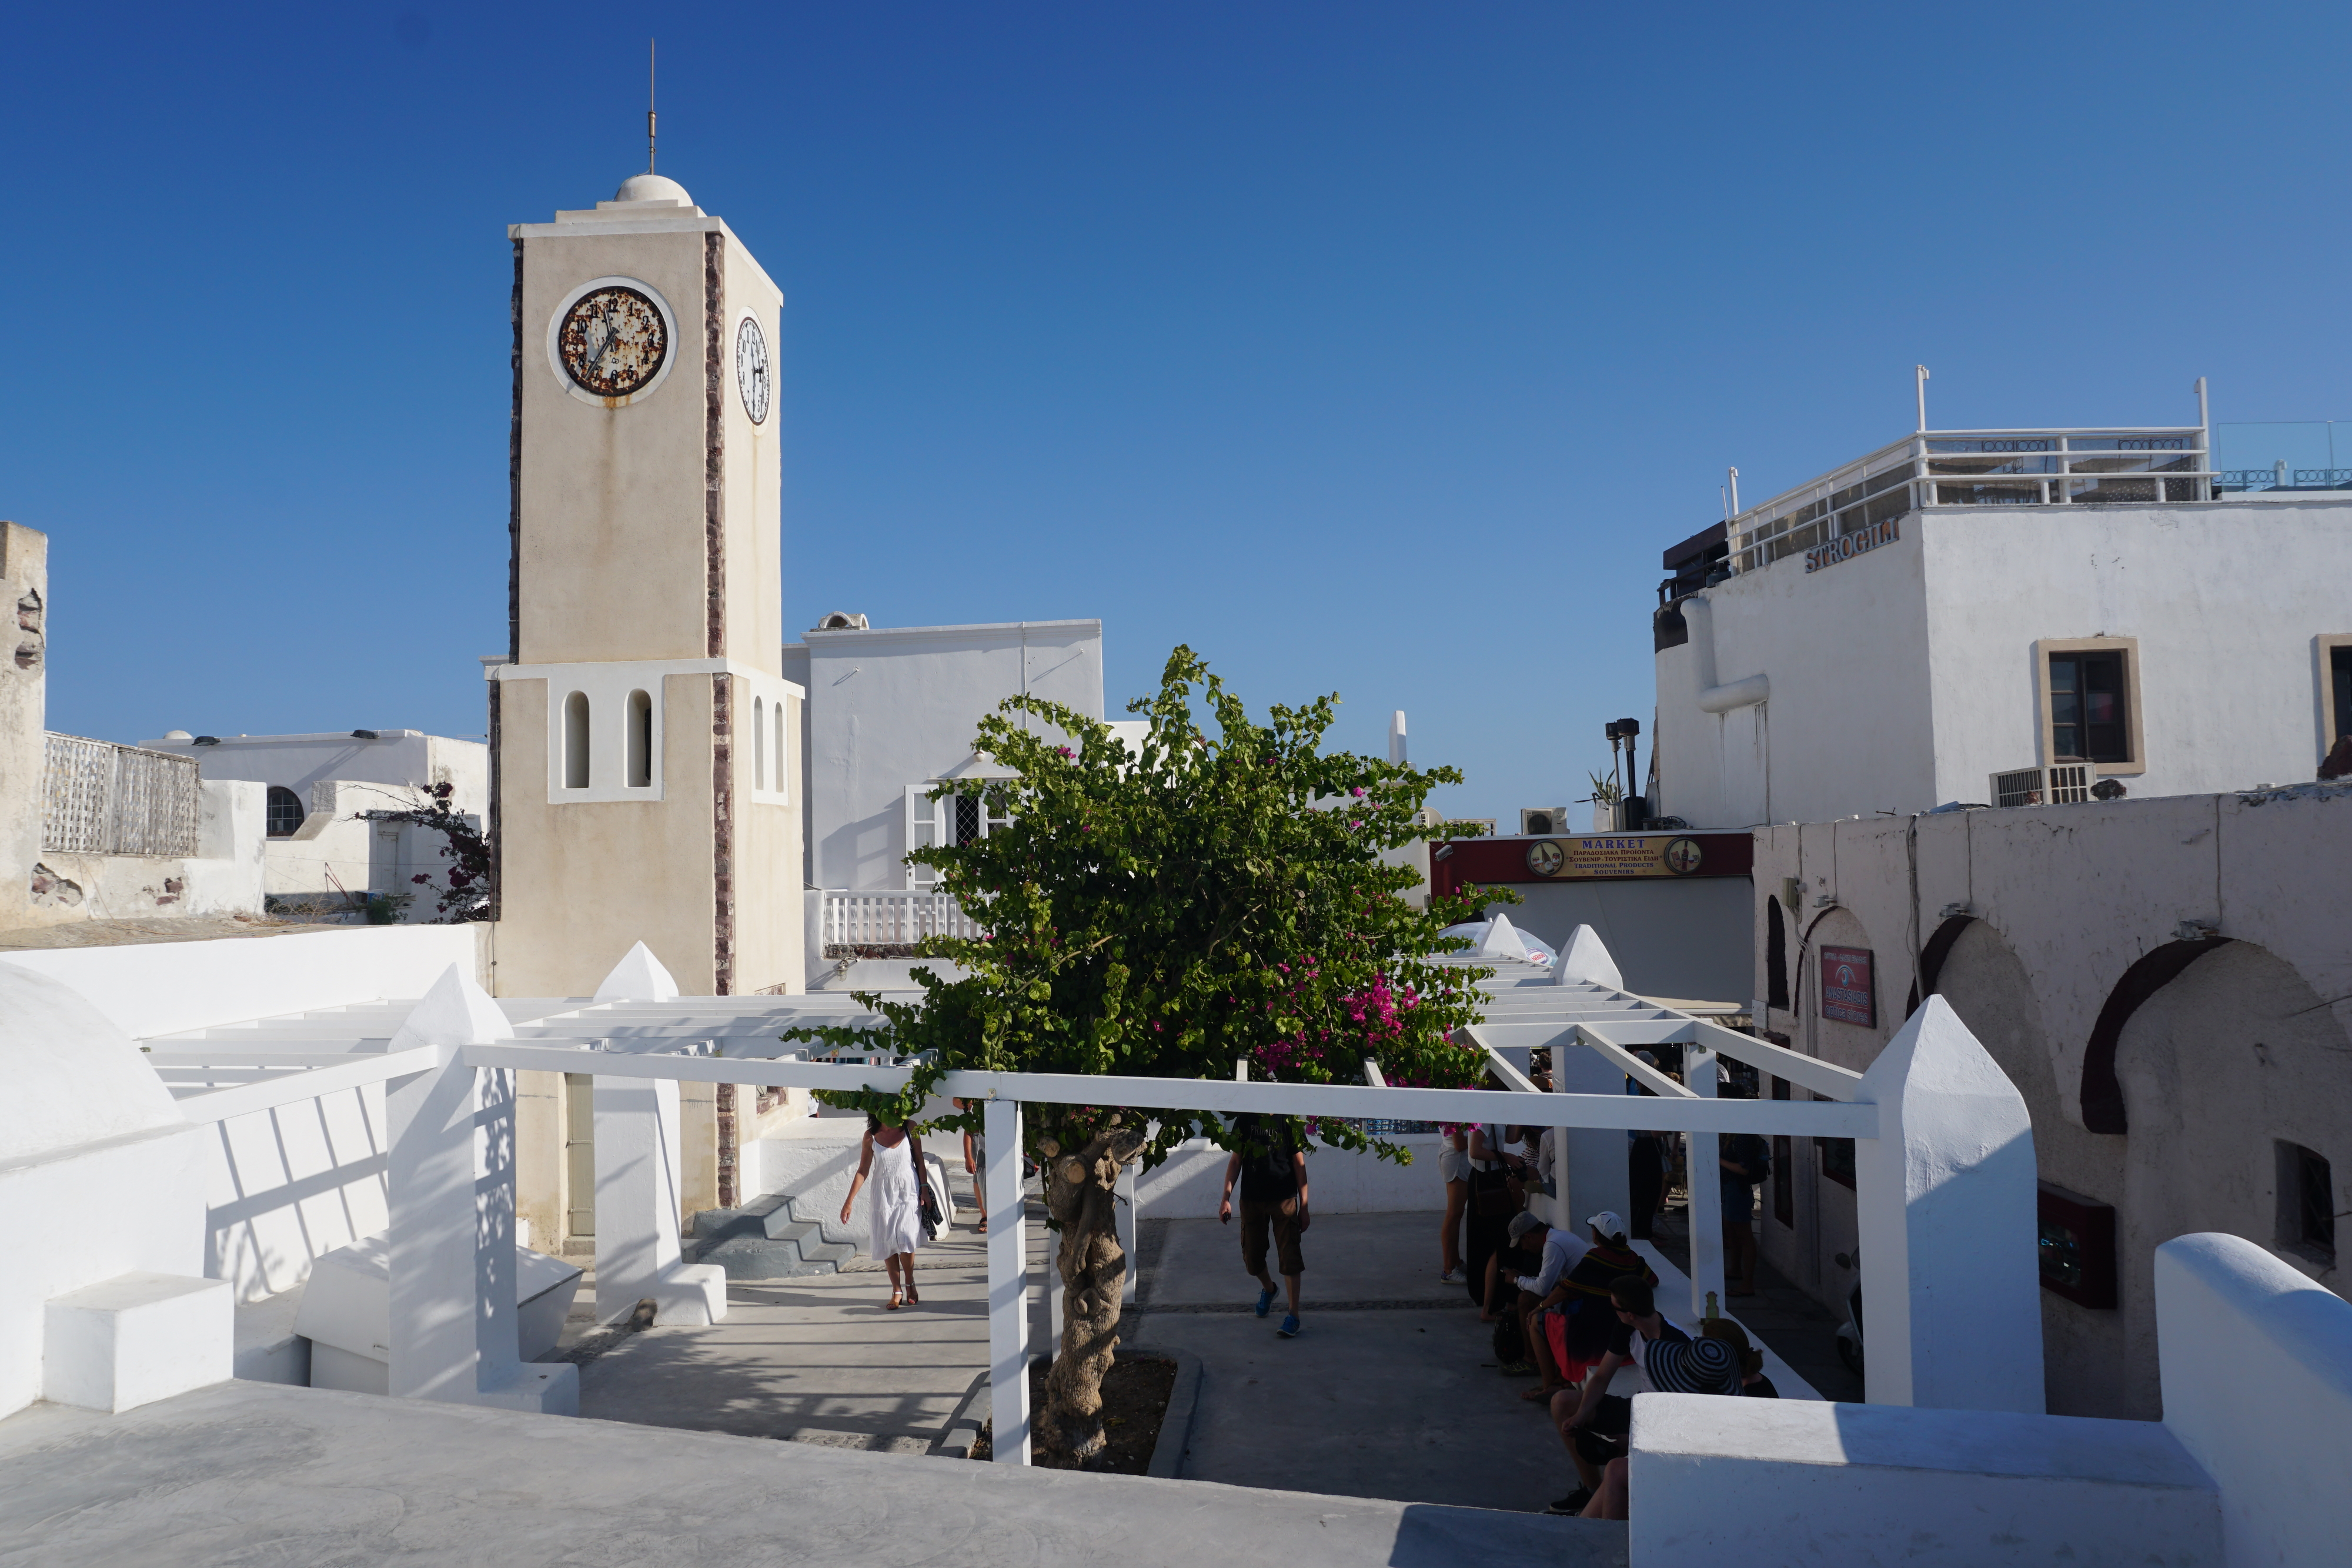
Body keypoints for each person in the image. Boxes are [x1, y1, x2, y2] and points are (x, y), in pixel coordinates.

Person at [1546, 1273, 1740, 1517]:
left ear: (1630, 1314)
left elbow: (1681, 1416)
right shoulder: (1627, 1327)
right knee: (1563, 1403)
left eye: (1614, 1307)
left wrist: (1631, 1439)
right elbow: (1602, 1377)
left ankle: (1601, 1509)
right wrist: (1582, 1414)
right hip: (1641, 1409)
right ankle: (1591, 1490)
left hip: (1666, 1424)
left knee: (1616, 1467)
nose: (1612, 1311)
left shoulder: (1677, 1345)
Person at [1525, 1212, 1655, 1402]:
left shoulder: (1595, 1258)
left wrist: (1540, 1306)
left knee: (1536, 1322)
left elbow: (1565, 1289)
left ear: (1596, 1235)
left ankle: (1549, 1385)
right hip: (1622, 1335)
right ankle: (1560, 1382)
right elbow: (1653, 1280)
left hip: (1591, 1336)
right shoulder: (1632, 1258)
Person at [1220, 1112, 1309, 1338]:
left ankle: (1293, 1315)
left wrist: (1305, 1206)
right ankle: (1270, 1289)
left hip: (1284, 1199)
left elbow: (1299, 1164)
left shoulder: (1289, 1120)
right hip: (1251, 1199)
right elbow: (1236, 1160)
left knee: (1290, 1257)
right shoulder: (1245, 1119)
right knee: (1252, 1259)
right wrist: (1226, 1198)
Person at [841, 1114, 927, 1310]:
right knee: (888, 1242)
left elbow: (920, 1161)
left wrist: (925, 1188)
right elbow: (863, 1170)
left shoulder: (910, 1128)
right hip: (883, 1194)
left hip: (908, 1191)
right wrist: (849, 1202)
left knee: (906, 1238)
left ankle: (910, 1281)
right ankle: (897, 1290)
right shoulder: (870, 1136)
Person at [1718, 1102, 1770, 1297]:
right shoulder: (1732, 1135)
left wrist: (1718, 1159)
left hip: (1738, 1190)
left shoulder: (1740, 1137)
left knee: (1744, 1236)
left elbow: (1743, 1169)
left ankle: (1747, 1285)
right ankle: (1735, 1270)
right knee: (1732, 1232)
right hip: (1731, 1188)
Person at [1437, 1124, 1470, 1282]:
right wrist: (1486, 1140)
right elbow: (1460, 1145)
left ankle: (1455, 1262)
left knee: (1456, 1214)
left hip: (1455, 1157)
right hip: (1457, 1159)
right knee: (1453, 1214)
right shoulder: (1455, 1108)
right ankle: (1448, 1269)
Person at [954, 1097, 987, 1235]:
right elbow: (956, 1102)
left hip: (997, 1135)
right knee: (977, 1177)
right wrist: (968, 1156)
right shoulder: (972, 1102)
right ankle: (985, 1215)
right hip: (978, 1138)